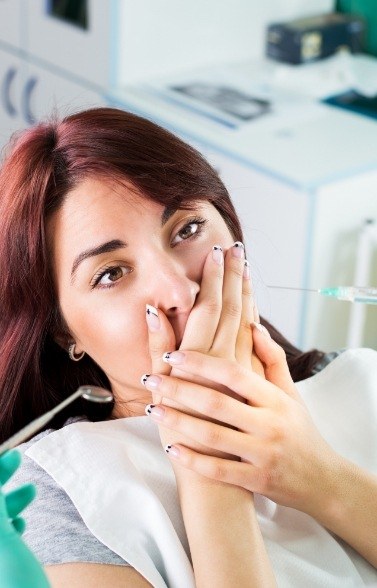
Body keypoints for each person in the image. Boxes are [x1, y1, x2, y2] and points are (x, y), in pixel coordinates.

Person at [0, 107, 376, 587]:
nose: (179, 293)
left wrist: (321, 478)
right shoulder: (58, 498)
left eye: (186, 230)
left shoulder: (361, 380)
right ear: (64, 333)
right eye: (111, 273)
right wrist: (207, 464)